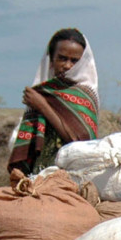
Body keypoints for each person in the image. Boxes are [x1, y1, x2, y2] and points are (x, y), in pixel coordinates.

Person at [8, 28, 99, 180]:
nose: (68, 66)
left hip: (72, 175)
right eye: (62, 59)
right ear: (51, 60)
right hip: (39, 173)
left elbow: (81, 143)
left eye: (74, 61)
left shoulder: (85, 95)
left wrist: (42, 106)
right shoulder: (43, 92)